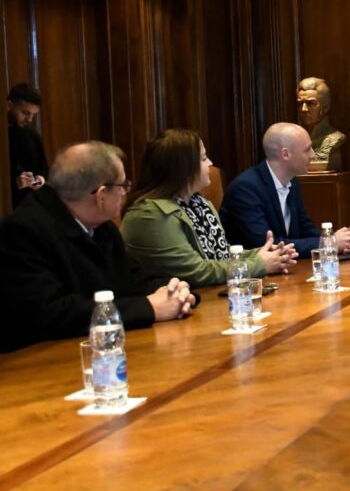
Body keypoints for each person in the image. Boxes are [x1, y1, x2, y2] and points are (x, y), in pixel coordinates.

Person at [0, 141, 196, 352]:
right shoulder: (22, 232)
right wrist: (149, 308)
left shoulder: (101, 227)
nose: (126, 192)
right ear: (101, 195)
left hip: (99, 353)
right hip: (39, 364)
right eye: (123, 185)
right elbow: (51, 314)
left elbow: (133, 277)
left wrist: (175, 289)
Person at [120, 129, 298, 288]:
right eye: (204, 158)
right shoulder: (150, 215)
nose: (211, 163)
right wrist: (259, 264)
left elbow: (218, 254)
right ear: (183, 167)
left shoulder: (199, 203)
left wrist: (266, 254)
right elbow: (195, 271)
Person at [219, 123, 350, 258]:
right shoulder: (246, 188)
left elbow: (305, 230)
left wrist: (339, 240)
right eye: (307, 150)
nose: (313, 155)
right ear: (285, 154)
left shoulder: (291, 181)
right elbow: (268, 246)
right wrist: (330, 243)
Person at [6, 83, 49, 208]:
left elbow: (44, 169)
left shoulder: (32, 134)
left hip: (30, 205)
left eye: (33, 115)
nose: (29, 120)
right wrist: (15, 182)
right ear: (9, 105)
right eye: (25, 113)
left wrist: (39, 180)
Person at [297, 77, 346, 171]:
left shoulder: (335, 138)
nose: (303, 109)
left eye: (311, 103)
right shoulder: (295, 140)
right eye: (300, 104)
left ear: (326, 107)